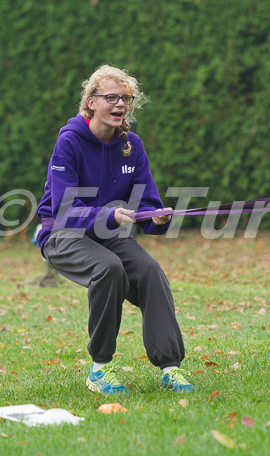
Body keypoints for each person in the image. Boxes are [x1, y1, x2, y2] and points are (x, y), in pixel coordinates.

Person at [36, 65, 194, 394]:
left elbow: (148, 201)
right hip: (61, 233)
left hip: (108, 231)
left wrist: (157, 218)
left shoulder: (131, 146)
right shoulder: (69, 143)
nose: (120, 104)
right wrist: (108, 216)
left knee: (150, 271)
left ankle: (170, 367)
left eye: (126, 98)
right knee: (108, 269)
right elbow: (64, 210)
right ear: (91, 102)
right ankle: (100, 369)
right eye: (111, 97)